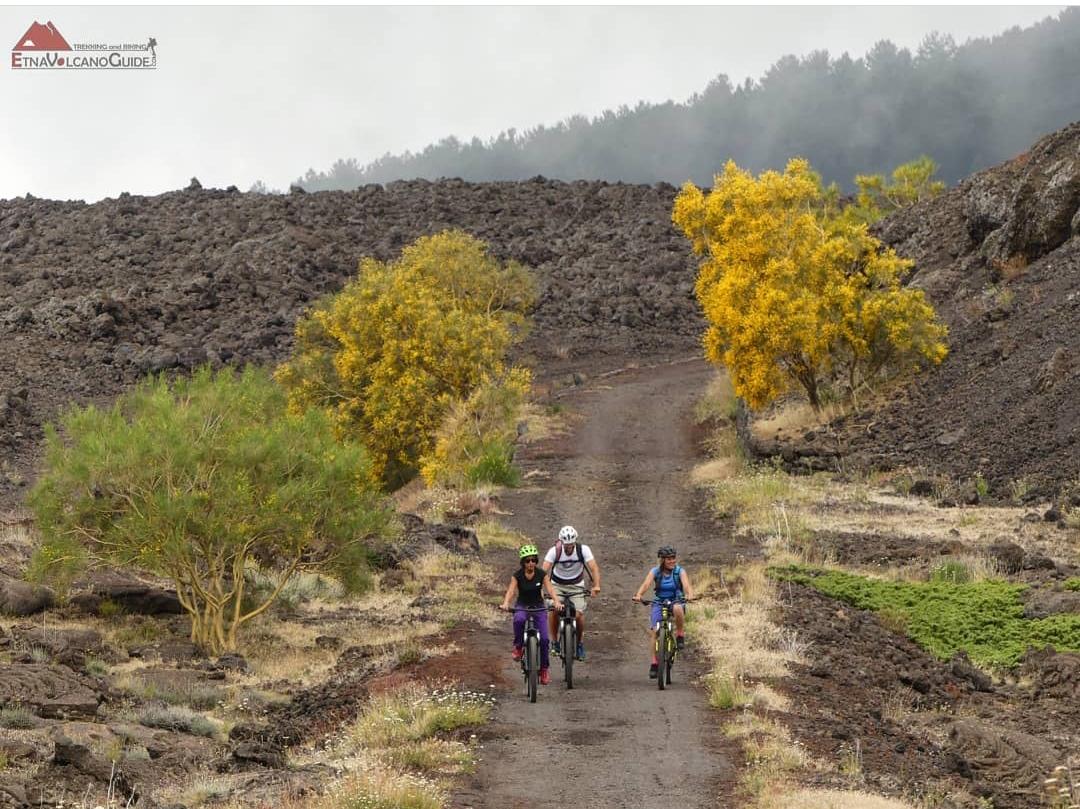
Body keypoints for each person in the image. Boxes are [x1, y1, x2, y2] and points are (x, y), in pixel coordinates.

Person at [500, 543, 563, 685]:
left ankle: (544, 670)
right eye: (528, 560)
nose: (531, 563)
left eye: (533, 560)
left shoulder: (541, 574)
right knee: (518, 620)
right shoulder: (517, 576)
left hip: (539, 606)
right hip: (523, 605)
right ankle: (518, 647)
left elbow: (551, 589)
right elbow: (511, 591)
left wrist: (557, 602)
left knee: (545, 640)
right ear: (523, 562)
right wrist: (506, 603)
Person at [632, 545, 695, 679]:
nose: (672, 561)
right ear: (662, 560)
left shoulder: (679, 571)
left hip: (676, 600)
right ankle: (654, 663)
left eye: (673, 558)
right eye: (669, 559)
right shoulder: (655, 571)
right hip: (659, 601)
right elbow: (646, 584)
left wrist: (689, 595)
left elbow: (686, 585)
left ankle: (679, 635)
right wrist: (638, 594)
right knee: (655, 631)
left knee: (678, 608)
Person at [543, 525, 601, 661]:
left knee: (579, 614)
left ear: (575, 541)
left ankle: (580, 644)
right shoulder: (554, 551)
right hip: (557, 585)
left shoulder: (583, 550)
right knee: (554, 610)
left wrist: (596, 586)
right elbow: (543, 571)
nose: (569, 547)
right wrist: (541, 589)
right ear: (561, 542)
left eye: (571, 544)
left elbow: (594, 568)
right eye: (566, 545)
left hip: (576, 586)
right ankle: (555, 642)